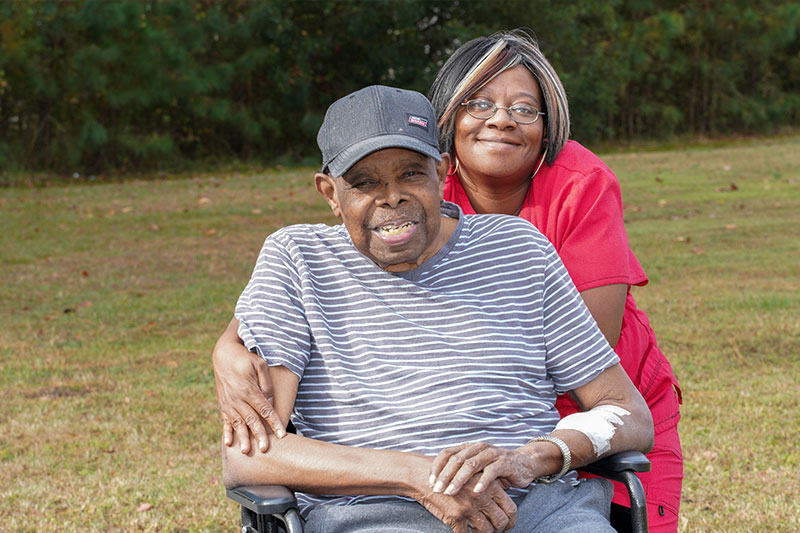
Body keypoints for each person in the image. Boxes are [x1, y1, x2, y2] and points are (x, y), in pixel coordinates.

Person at [213, 30, 683, 531]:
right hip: (376, 514)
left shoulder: (520, 246)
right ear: (330, 192)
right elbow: (249, 459)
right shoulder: (297, 259)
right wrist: (417, 477)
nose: (392, 198)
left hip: (539, 507)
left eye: (412, 174)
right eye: (365, 182)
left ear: (441, 171)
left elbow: (628, 413)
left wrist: (530, 458)